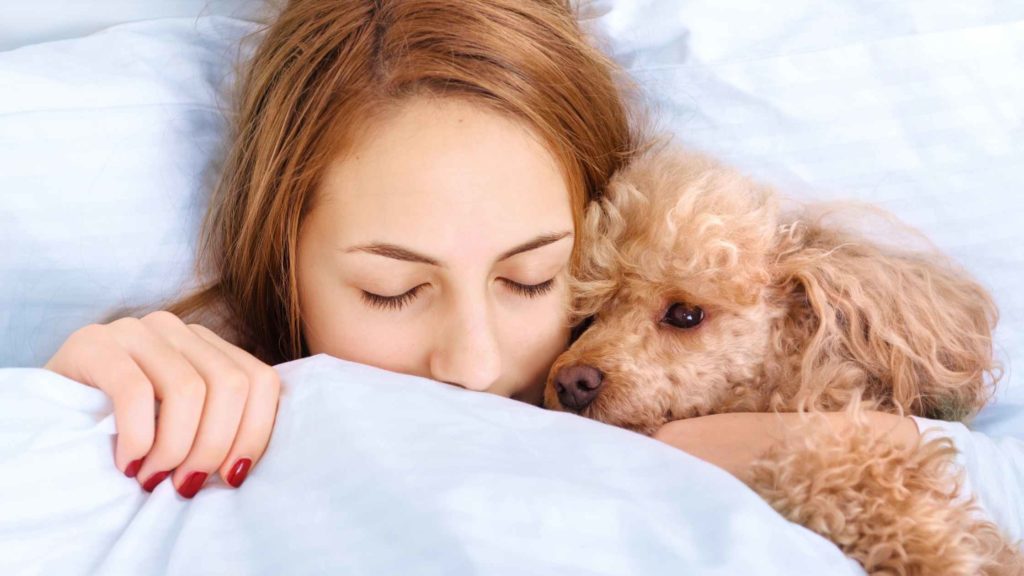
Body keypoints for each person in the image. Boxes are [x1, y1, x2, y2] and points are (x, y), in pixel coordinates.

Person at [40, 0, 1023, 543]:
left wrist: (739, 444)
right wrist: (82, 387)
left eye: (533, 282)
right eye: (391, 289)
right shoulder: (209, 393)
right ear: (281, 269)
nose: (475, 365)